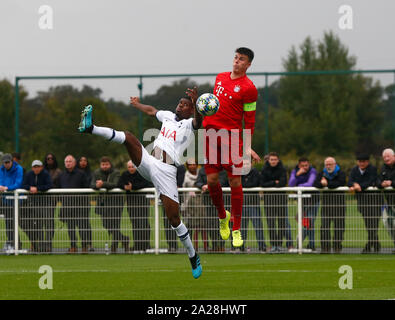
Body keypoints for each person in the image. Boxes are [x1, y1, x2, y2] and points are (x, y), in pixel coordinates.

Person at [78, 86, 203, 278]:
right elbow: (152, 111)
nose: (181, 106)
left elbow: (199, 121)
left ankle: (193, 255)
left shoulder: (188, 124)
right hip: (150, 162)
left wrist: (196, 104)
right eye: (180, 103)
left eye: (185, 105)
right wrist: (137, 104)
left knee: (174, 219)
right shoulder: (168, 116)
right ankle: (90, 128)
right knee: (128, 137)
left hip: (167, 171)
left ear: (190, 109)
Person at [202, 47, 260, 248]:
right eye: (235, 57)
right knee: (211, 181)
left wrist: (248, 146)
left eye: (241, 59)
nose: (236, 61)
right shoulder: (220, 77)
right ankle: (222, 216)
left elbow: (249, 120)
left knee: (235, 182)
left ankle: (236, 228)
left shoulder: (249, 88)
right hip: (210, 136)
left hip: (233, 139)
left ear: (248, 64)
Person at [92, 156, 129, 253]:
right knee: (106, 224)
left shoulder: (116, 172)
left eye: (106, 164)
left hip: (116, 202)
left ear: (110, 164)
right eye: (103, 164)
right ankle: (124, 239)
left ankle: (114, 245)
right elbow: (91, 184)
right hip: (102, 203)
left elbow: (116, 184)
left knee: (115, 224)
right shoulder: (96, 173)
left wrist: (102, 184)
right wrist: (96, 186)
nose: (104, 166)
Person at [56, 155, 91, 253]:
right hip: (67, 206)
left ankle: (84, 247)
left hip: (81, 205)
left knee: (82, 227)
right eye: (66, 161)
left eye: (70, 161)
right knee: (70, 228)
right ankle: (73, 246)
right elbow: (57, 188)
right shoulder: (61, 175)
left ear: (75, 163)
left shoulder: (81, 174)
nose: (68, 163)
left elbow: (87, 188)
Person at [260, 152, 293, 253]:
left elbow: (283, 182)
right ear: (268, 160)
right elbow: (262, 183)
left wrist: (271, 184)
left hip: (281, 199)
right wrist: (275, 182)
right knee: (270, 223)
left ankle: (279, 244)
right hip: (268, 200)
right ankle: (273, 245)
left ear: (278, 160)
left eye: (275, 159)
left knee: (282, 223)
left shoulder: (282, 169)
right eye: (271, 159)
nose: (273, 161)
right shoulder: (264, 169)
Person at [348, 153, 381, 253]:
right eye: (360, 161)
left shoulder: (372, 169)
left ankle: (369, 245)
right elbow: (349, 181)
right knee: (368, 224)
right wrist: (354, 184)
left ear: (368, 162)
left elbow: (371, 181)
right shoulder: (354, 170)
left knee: (374, 224)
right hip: (362, 201)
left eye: (364, 161)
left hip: (374, 201)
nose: (361, 163)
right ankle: (375, 243)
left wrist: (360, 187)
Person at [119, 160, 153, 252]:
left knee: (144, 223)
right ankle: (137, 245)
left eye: (132, 167)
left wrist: (133, 187)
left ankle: (146, 245)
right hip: (131, 202)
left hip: (142, 201)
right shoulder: (125, 174)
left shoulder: (142, 173)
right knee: (135, 223)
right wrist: (125, 187)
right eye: (129, 167)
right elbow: (119, 183)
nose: (131, 169)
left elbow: (146, 183)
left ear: (136, 167)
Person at [313, 157, 346, 253]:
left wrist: (327, 183)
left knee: (339, 226)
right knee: (324, 226)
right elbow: (315, 183)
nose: (328, 166)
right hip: (326, 205)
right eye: (326, 164)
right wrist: (322, 184)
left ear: (335, 164)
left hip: (339, 204)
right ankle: (325, 248)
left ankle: (337, 246)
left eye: (330, 164)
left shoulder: (341, 173)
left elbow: (340, 182)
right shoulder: (322, 173)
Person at [21, 160, 52, 252]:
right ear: (32, 168)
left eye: (38, 166)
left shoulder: (46, 174)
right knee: (37, 225)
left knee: (48, 225)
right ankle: (40, 245)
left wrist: (37, 189)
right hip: (33, 204)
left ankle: (48, 245)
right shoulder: (29, 174)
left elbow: (49, 185)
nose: (36, 168)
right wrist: (30, 188)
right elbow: (24, 185)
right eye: (34, 167)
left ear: (41, 167)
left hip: (45, 203)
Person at [288, 157, 319, 251]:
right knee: (304, 221)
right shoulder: (295, 171)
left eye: (306, 165)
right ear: (299, 165)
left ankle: (309, 244)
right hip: (301, 201)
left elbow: (310, 183)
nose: (305, 167)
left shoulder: (313, 171)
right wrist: (297, 175)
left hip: (313, 201)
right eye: (303, 166)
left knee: (310, 222)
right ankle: (302, 241)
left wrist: (299, 187)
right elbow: (290, 184)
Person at [195, 165, 227, 252]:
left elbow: (223, 181)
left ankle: (221, 245)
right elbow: (197, 182)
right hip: (207, 201)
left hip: (220, 201)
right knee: (210, 224)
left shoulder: (222, 168)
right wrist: (202, 186)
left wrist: (210, 185)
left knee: (221, 223)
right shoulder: (202, 169)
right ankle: (214, 245)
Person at [181, 159, 208, 252]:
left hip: (201, 202)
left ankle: (205, 246)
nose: (192, 166)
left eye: (194, 164)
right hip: (190, 204)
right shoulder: (186, 176)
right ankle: (192, 247)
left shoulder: (201, 174)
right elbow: (184, 191)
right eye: (190, 165)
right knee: (192, 226)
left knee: (203, 226)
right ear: (187, 166)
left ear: (197, 165)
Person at [240, 159, 266, 252]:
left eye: (247, 163)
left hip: (254, 204)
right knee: (242, 227)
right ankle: (240, 246)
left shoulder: (256, 173)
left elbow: (254, 183)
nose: (246, 165)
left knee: (258, 225)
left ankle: (262, 246)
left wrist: (245, 185)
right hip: (241, 204)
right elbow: (238, 184)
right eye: (244, 163)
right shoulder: (239, 173)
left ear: (251, 164)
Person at [0, 153, 24, 251]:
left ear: (12, 161)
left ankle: (16, 243)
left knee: (22, 224)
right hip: (6, 200)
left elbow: (18, 183)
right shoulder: (1, 169)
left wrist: (7, 188)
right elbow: (1, 181)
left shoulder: (19, 169)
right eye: (4, 163)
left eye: (8, 162)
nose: (6, 164)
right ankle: (12, 242)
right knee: (9, 223)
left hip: (18, 200)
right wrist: (1, 187)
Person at [377, 148, 395, 251]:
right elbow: (378, 179)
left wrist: (391, 183)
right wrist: (381, 184)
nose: (386, 158)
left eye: (388, 156)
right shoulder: (383, 168)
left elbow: (391, 182)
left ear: (394, 156)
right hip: (389, 202)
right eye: (384, 157)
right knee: (387, 223)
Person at [77, 156, 94, 252]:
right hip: (75, 201)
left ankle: (89, 243)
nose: (83, 162)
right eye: (81, 160)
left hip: (84, 201)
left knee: (86, 223)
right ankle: (83, 244)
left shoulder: (89, 173)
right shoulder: (76, 173)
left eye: (85, 161)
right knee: (79, 224)